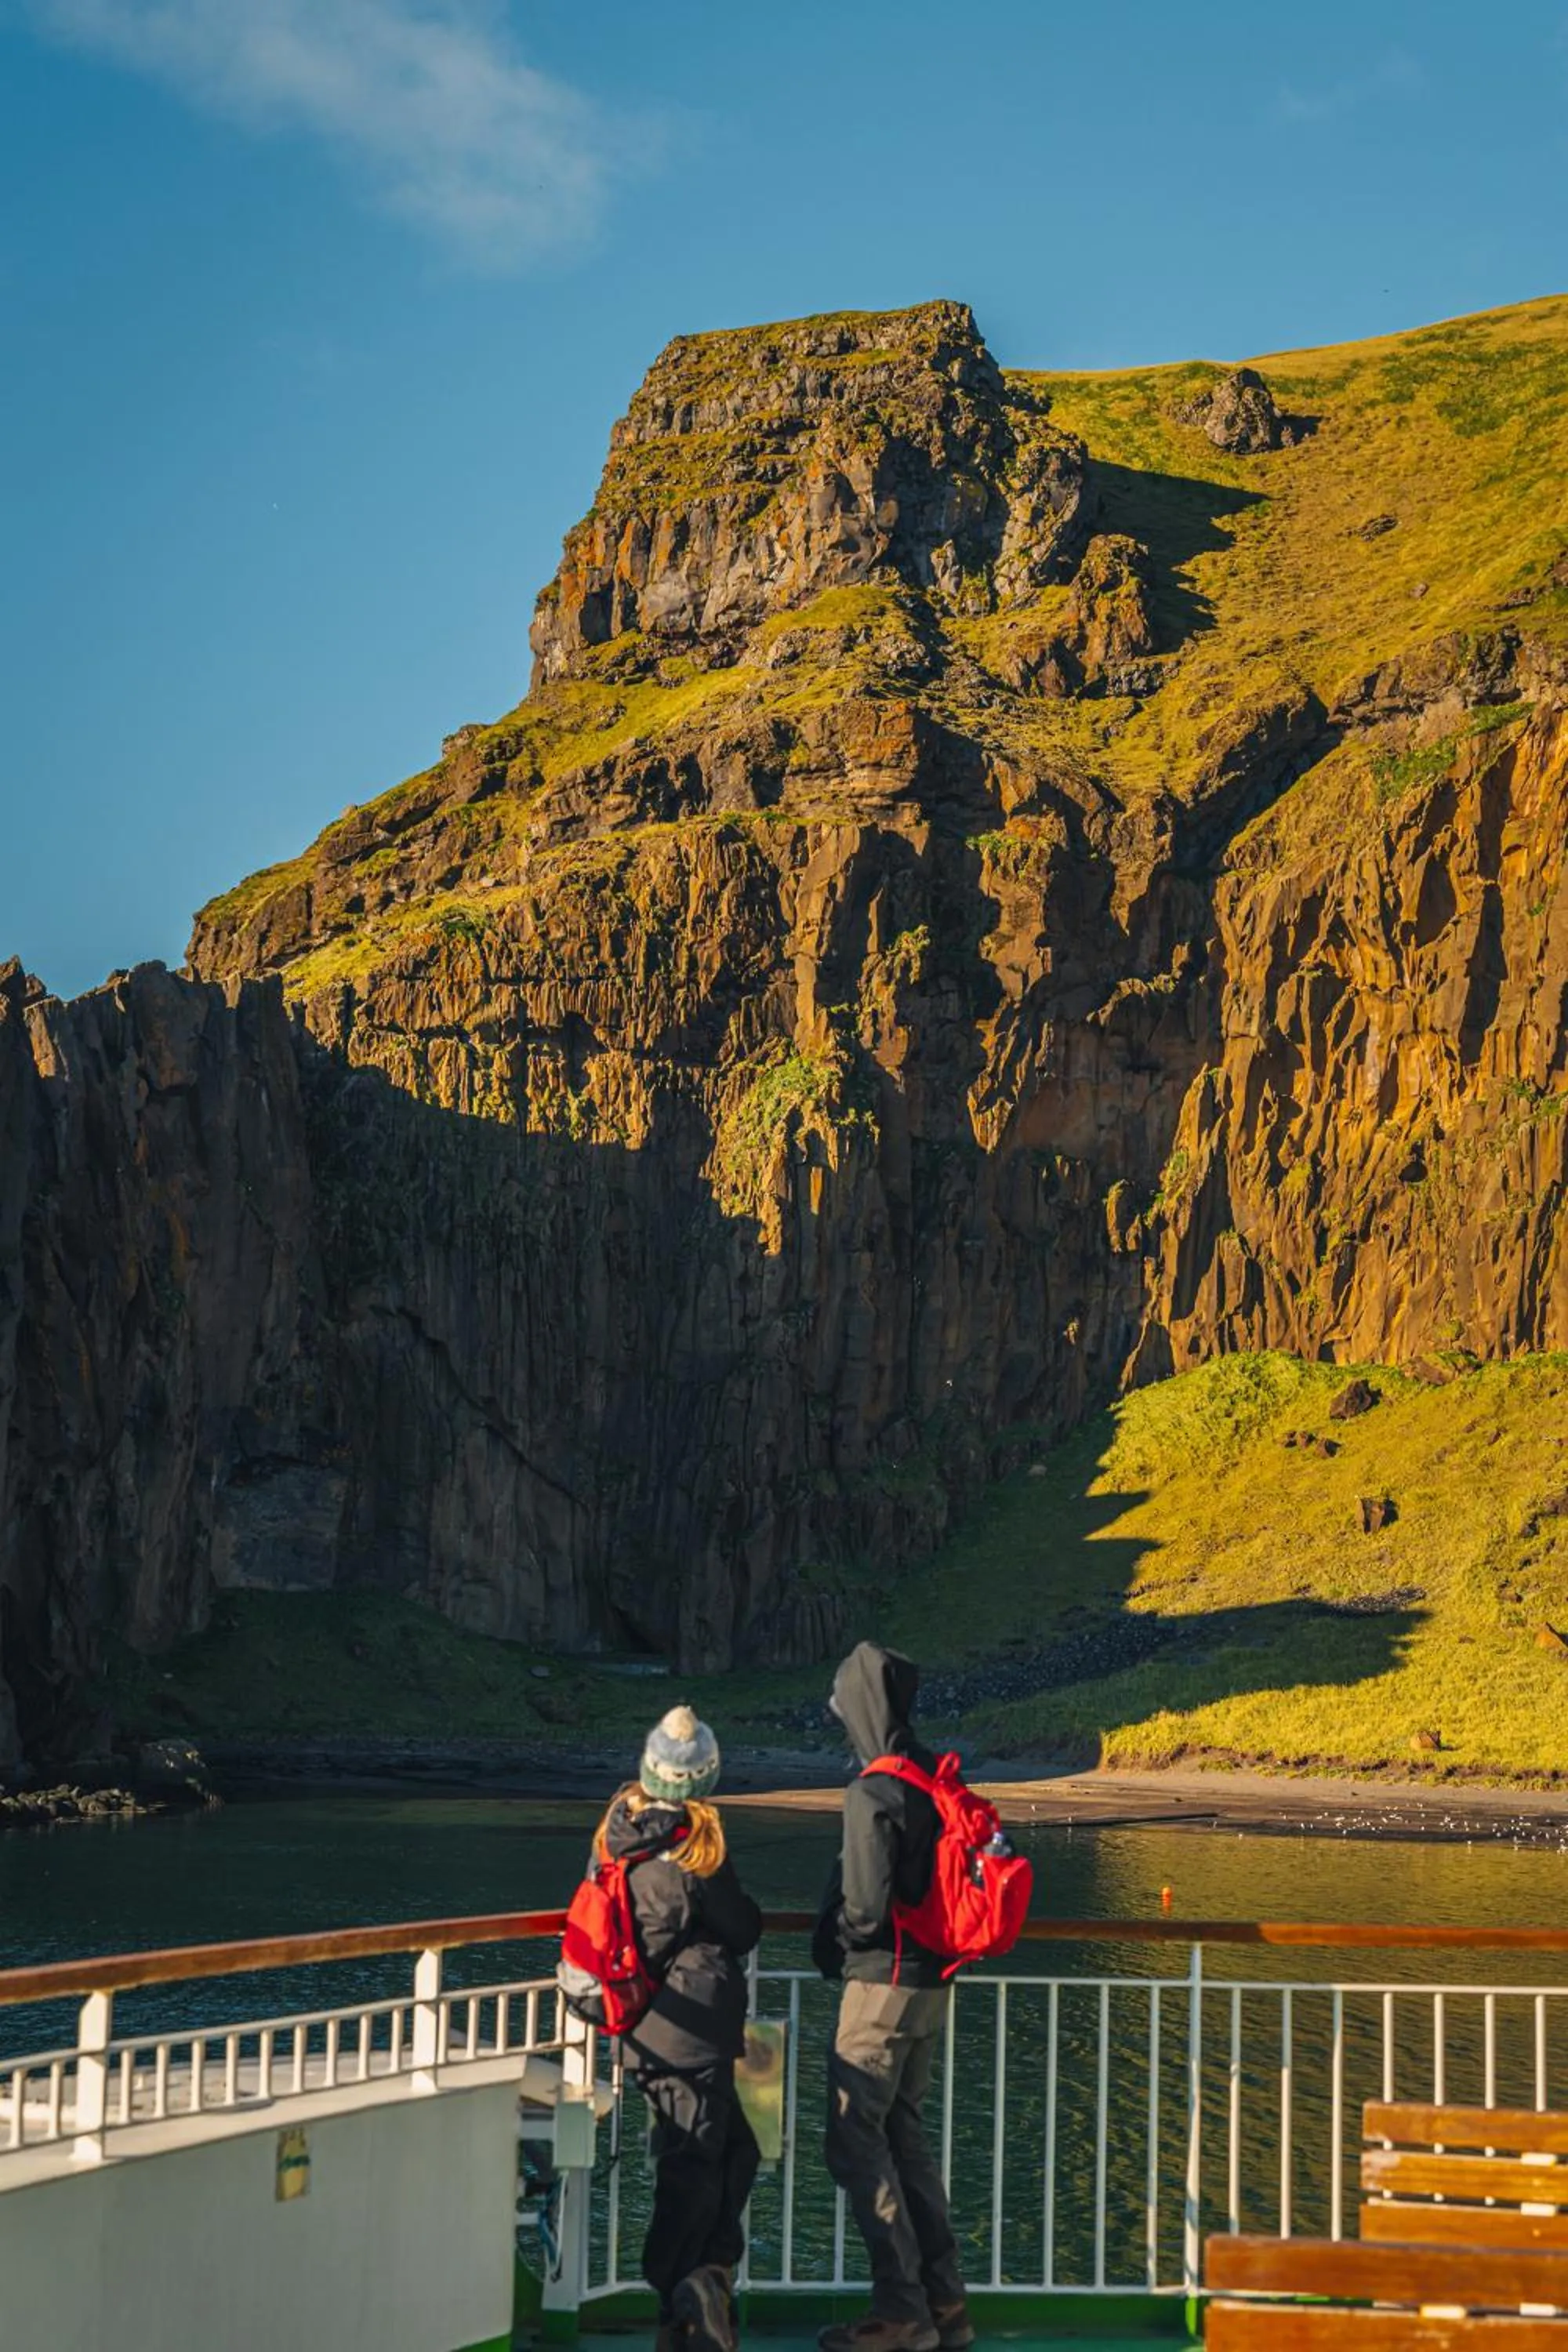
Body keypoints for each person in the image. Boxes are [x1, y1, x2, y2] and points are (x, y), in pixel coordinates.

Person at [812, 1643, 972, 2352]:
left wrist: (838, 1936)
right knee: (905, 2140)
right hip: (932, 1988)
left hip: (880, 1989)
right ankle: (946, 2305)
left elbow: (867, 1909)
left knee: (855, 2142)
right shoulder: (933, 1780)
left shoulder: (874, 1790)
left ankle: (901, 2311)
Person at [595, 1705, 762, 2352]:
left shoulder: (621, 1835)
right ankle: (680, 2292)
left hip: (653, 2029)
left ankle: (704, 2280)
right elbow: (742, 1926)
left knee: (723, 2151)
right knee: (695, 2162)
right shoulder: (689, 1851)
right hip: (686, 2033)